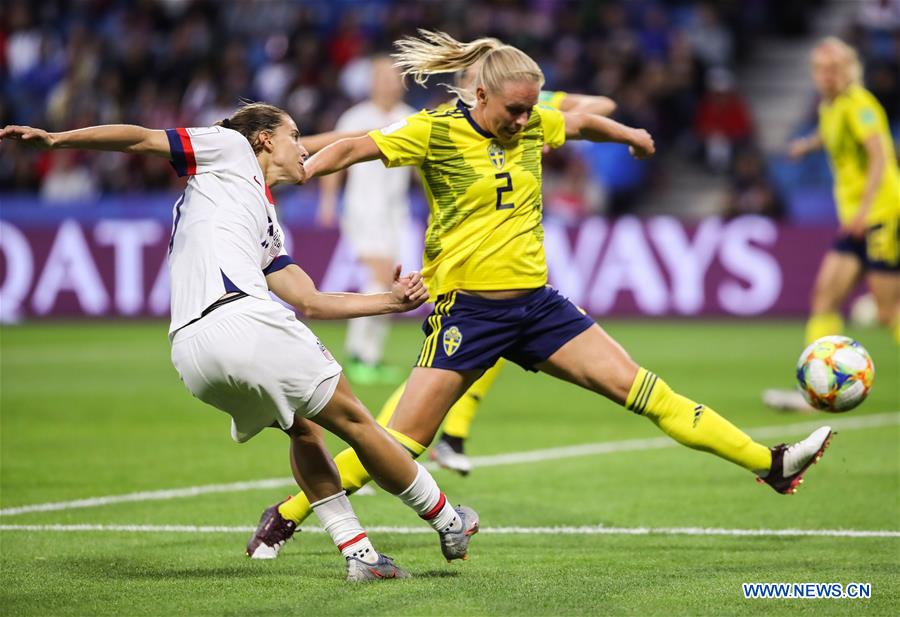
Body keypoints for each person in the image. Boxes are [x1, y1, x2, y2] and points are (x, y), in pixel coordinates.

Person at [249, 30, 836, 559]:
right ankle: (287, 514)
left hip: (538, 306)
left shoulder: (534, 123)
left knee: (646, 391)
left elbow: (580, 123)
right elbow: (356, 148)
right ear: (480, 96)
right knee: (401, 441)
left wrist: (629, 134)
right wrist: (302, 170)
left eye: (532, 110)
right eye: (516, 110)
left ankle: (772, 464)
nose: (527, 122)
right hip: (468, 313)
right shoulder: (435, 131)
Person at [0, 102, 480, 581]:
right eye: (294, 135)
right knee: (357, 422)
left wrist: (389, 303)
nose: (301, 145)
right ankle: (446, 519)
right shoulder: (229, 149)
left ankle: (361, 555)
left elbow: (308, 299)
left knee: (305, 430)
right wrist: (59, 139)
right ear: (265, 139)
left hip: (191, 355)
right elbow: (142, 138)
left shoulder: (264, 218)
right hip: (242, 321)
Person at [763, 37, 900, 412]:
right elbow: (830, 134)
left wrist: (865, 210)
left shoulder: (861, 105)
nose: (826, 75)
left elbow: (880, 157)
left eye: (834, 68)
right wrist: (805, 146)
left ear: (849, 70)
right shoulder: (831, 106)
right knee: (825, 296)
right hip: (856, 222)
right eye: (821, 69)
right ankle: (816, 392)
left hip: (881, 216)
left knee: (889, 311)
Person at [318, 56, 417, 385]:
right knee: (381, 276)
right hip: (362, 211)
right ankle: (360, 354)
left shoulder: (409, 118)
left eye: (393, 77)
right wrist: (328, 201)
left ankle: (368, 355)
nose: (388, 82)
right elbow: (334, 158)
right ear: (372, 82)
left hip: (395, 214)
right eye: (382, 77)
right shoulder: (356, 117)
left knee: (391, 282)